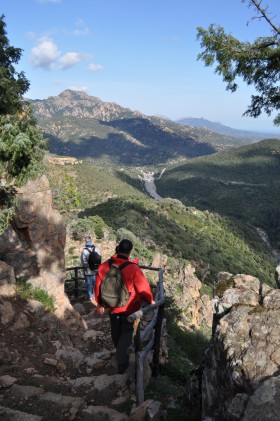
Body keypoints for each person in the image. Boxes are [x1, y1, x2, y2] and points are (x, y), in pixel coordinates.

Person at [95, 239, 155, 374]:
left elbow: (98, 286)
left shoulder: (104, 266)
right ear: (129, 251)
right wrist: (150, 300)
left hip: (111, 307)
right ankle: (122, 363)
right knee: (127, 333)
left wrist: (100, 303)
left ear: (117, 249)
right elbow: (143, 288)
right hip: (129, 308)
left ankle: (119, 351)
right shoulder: (133, 268)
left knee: (115, 331)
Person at [80, 235, 101, 305]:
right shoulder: (97, 249)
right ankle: (95, 296)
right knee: (95, 284)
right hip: (96, 270)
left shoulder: (84, 251)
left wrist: (88, 267)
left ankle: (90, 297)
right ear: (91, 240)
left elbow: (83, 262)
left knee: (88, 284)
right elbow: (99, 259)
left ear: (85, 241)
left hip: (88, 271)